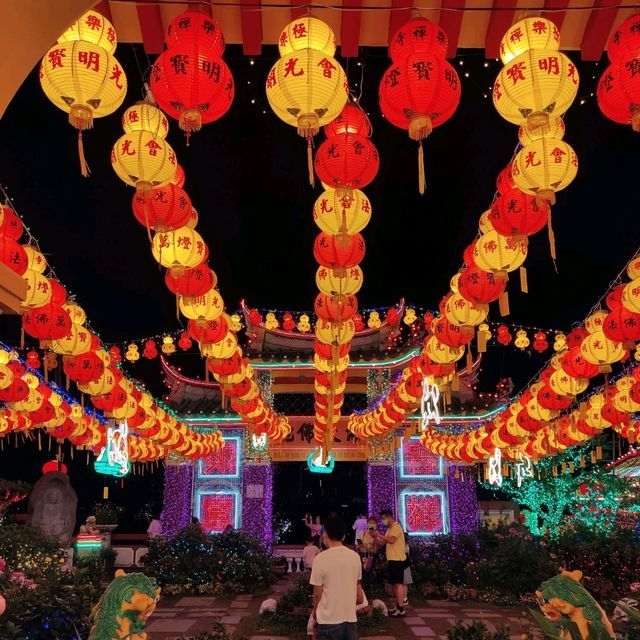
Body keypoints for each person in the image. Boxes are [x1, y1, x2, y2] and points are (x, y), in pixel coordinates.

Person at [310, 516, 364, 640]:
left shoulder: (320, 559)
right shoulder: (355, 557)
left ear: (325, 535)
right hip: (349, 620)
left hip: (327, 621)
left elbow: (317, 594)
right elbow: (357, 589)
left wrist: (315, 613)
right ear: (343, 536)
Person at [371, 508, 406, 617]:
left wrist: (378, 534)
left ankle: (401, 608)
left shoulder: (396, 527)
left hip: (398, 559)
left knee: (398, 584)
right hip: (392, 559)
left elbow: (391, 540)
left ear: (389, 517)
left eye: (383, 519)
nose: (382, 521)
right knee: (395, 584)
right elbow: (382, 543)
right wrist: (375, 536)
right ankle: (398, 606)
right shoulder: (389, 529)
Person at [358, 516, 379, 593]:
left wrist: (367, 547)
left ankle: (367, 592)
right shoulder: (362, 533)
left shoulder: (376, 535)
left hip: (370, 558)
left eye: (374, 523)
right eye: (370, 522)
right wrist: (360, 546)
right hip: (362, 556)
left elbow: (375, 551)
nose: (372, 524)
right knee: (361, 575)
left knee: (368, 575)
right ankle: (362, 592)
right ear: (367, 523)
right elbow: (357, 546)